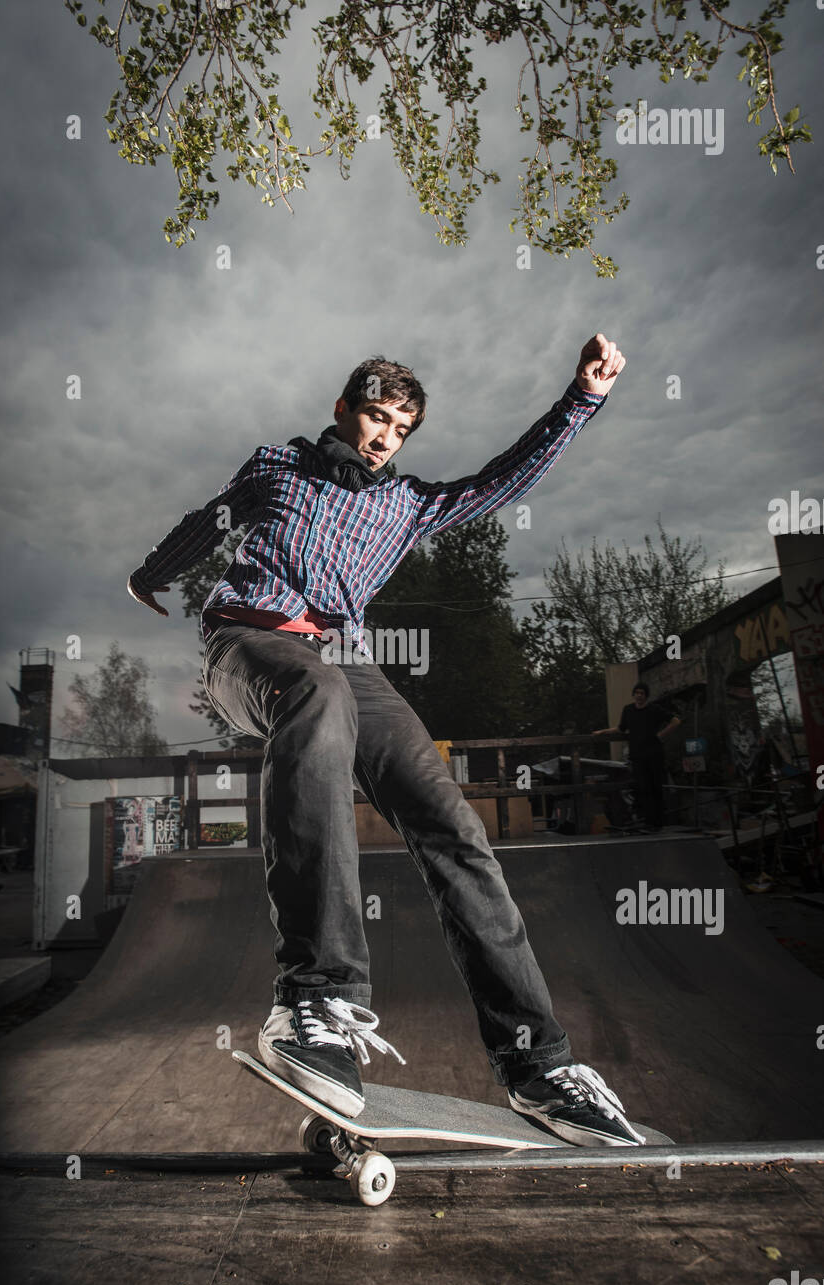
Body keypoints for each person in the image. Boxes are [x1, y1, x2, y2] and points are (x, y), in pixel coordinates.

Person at [129, 333, 647, 1147]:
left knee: (452, 822)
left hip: (342, 661)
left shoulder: (406, 505)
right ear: (344, 410)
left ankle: (537, 1063)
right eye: (375, 418)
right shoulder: (276, 466)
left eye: (400, 430)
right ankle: (315, 998)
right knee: (316, 689)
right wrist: (151, 570)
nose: (383, 438)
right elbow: (210, 521)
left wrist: (581, 399)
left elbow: (500, 478)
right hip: (248, 645)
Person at [593, 683, 681, 831]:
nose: (639, 696)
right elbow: (621, 728)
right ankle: (647, 820)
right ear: (633, 695)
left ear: (646, 696)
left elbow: (675, 721)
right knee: (642, 787)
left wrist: (660, 735)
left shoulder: (654, 709)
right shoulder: (628, 710)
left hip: (653, 754)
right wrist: (603, 732)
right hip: (637, 755)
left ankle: (657, 822)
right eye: (637, 693)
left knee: (655, 787)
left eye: (642, 693)